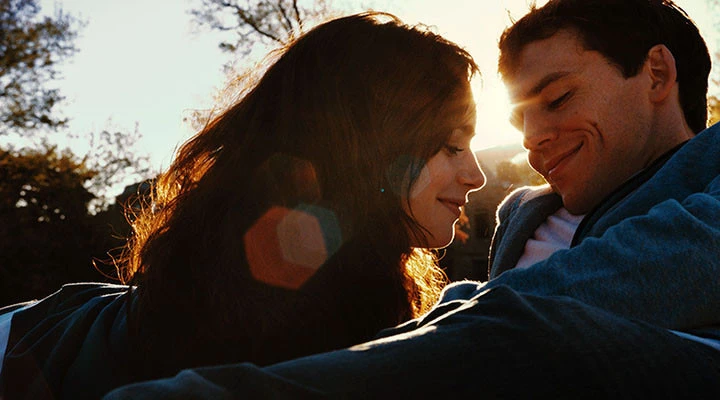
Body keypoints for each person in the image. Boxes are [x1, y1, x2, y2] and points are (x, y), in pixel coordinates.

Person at [100, 0, 720, 398]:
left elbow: (675, 261)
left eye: (558, 100)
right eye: (522, 119)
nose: (532, 139)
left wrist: (460, 314)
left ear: (656, 75)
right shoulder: (522, 214)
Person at [0, 12, 486, 399]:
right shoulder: (275, 318)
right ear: (373, 151)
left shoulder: (359, 284)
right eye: (452, 146)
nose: (476, 176)